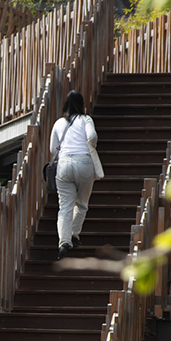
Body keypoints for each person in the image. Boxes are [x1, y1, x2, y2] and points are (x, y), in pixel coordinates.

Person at [49, 90, 101, 258]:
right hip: (84, 163)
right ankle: (74, 234)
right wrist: (90, 145)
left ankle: (64, 242)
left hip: (63, 165)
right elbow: (92, 136)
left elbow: (52, 149)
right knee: (82, 204)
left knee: (64, 207)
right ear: (82, 104)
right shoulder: (86, 119)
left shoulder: (58, 123)